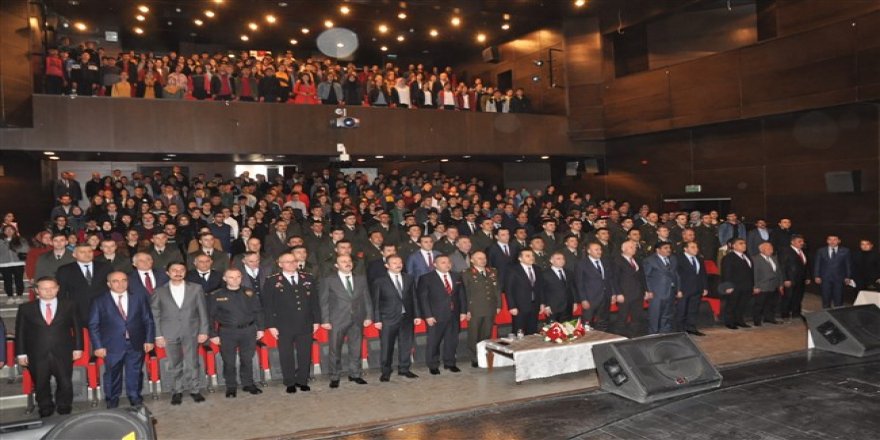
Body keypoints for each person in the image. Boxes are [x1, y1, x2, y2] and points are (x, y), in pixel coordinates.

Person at [15, 277, 83, 417]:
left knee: (65, 381)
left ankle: (64, 406)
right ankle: (45, 407)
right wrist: (21, 353)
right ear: (37, 290)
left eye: (52, 288)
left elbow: (77, 328)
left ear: (58, 288)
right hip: (37, 352)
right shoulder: (26, 308)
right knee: (40, 382)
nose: (49, 291)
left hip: (63, 351)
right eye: (44, 288)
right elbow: (20, 331)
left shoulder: (69, 305)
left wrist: (78, 348)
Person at [89, 271, 155, 409]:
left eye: (124, 280)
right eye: (115, 281)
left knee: (135, 372)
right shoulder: (99, 300)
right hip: (111, 345)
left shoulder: (138, 297)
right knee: (112, 374)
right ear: (108, 284)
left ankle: (135, 397)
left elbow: (148, 320)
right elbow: (93, 325)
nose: (120, 284)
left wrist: (149, 340)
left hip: (136, 342)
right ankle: (112, 399)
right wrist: (98, 346)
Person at [150, 262, 209, 405]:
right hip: (169, 332)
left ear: (185, 272)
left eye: (181, 269)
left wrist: (204, 330)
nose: (178, 272)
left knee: (192, 362)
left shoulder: (196, 288)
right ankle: (177, 391)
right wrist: (158, 335)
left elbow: (202, 311)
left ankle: (195, 390)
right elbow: (155, 314)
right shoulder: (159, 291)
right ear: (167, 273)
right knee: (174, 363)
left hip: (192, 331)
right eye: (174, 270)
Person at [262, 253, 320, 394]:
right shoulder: (272, 281)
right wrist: (271, 325)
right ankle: (289, 381)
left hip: (305, 322)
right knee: (286, 354)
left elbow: (314, 302)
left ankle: (302, 380)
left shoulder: (308, 278)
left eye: (294, 261)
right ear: (280, 264)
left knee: (305, 353)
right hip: (283, 324)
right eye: (287, 262)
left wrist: (317, 320)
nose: (292, 264)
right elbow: (267, 306)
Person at [207, 268, 264, 398]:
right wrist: (213, 334)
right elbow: (210, 316)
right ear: (225, 278)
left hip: (248, 330)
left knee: (247, 359)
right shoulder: (216, 294)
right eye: (231, 277)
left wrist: (260, 328)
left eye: (238, 276)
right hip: (227, 331)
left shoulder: (249, 292)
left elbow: (258, 311)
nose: (235, 279)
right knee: (229, 361)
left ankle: (248, 383)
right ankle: (231, 386)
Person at [319, 254, 373, 388]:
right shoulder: (329, 280)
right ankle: (334, 376)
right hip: (337, 319)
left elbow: (367, 298)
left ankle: (355, 374)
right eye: (343, 261)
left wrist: (368, 316)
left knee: (356, 347)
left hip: (357, 318)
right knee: (334, 349)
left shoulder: (361, 279)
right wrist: (325, 319)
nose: (347, 263)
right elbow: (324, 301)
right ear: (336, 265)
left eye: (349, 261)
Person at [371, 254, 421, 381]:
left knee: (406, 344)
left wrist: (417, 315)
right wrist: (377, 319)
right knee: (387, 346)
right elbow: (375, 301)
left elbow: (414, 298)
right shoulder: (379, 280)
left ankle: (404, 369)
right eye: (394, 263)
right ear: (387, 265)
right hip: (387, 318)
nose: (398, 265)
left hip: (407, 317)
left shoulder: (409, 278)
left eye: (400, 262)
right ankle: (386, 371)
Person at [418, 254, 467, 375]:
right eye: (443, 262)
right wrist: (428, 315)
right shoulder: (426, 278)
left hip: (454, 314)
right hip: (435, 315)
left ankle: (450, 363)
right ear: (435, 264)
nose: (447, 264)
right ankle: (433, 364)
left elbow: (462, 295)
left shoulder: (456, 276)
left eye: (448, 262)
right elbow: (423, 298)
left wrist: (463, 311)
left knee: (452, 340)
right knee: (434, 341)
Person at [461, 250, 500, 368]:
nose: (482, 260)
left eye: (484, 258)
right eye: (479, 258)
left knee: (486, 333)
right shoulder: (466, 273)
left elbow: (497, 290)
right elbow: (465, 293)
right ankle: (474, 357)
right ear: (472, 260)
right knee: (474, 334)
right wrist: (466, 309)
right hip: (474, 308)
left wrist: (498, 305)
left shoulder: (492, 271)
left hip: (490, 307)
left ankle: (484, 355)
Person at [56, 243, 113, 324]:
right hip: (77, 311)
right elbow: (61, 293)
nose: (87, 254)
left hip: (103, 310)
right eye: (82, 252)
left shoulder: (105, 267)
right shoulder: (64, 270)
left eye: (89, 251)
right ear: (74, 254)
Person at [575, 242, 615, 331]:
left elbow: (610, 279)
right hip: (590, 298)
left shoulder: (605, 262)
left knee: (603, 321)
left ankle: (602, 340)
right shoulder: (582, 264)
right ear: (589, 251)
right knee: (586, 322)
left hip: (605, 296)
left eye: (600, 249)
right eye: (596, 249)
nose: (599, 251)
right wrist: (583, 299)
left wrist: (613, 293)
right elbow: (579, 283)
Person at [643, 242, 682, 334]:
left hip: (671, 291)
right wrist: (648, 291)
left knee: (668, 314)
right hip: (657, 292)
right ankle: (653, 334)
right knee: (655, 314)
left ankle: (665, 333)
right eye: (665, 248)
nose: (669, 250)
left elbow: (676, 275)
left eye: (669, 247)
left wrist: (678, 289)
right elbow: (646, 277)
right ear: (658, 250)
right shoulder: (650, 260)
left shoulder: (673, 258)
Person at [506, 249, 544, 335]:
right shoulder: (513, 270)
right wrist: (512, 306)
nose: (531, 258)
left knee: (532, 331)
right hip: (519, 306)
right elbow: (509, 289)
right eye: (528, 256)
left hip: (535, 305)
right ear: (520, 258)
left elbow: (540, 288)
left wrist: (542, 303)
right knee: (519, 331)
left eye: (532, 256)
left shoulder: (537, 269)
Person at [675, 242, 708, 336]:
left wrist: (705, 287)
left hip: (697, 288)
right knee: (682, 310)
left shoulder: (699, 258)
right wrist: (678, 289)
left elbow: (703, 274)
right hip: (684, 289)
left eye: (696, 247)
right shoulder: (679, 259)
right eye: (693, 247)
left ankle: (691, 328)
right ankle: (680, 331)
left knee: (693, 310)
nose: (696, 249)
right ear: (685, 249)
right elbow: (676, 275)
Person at [721, 238, 754, 329]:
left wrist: (752, 284)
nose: (744, 245)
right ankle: (729, 322)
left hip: (747, 285)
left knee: (742, 305)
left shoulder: (747, 256)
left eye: (744, 243)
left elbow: (750, 271)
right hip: (734, 286)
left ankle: (739, 321)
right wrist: (728, 286)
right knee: (731, 305)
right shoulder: (729, 257)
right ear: (734, 246)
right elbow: (726, 273)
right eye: (741, 243)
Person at [778, 235, 811, 321]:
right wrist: (785, 279)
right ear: (792, 242)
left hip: (801, 279)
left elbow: (805, 265)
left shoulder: (803, 251)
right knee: (788, 297)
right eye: (799, 241)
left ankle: (796, 312)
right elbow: (782, 266)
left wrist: (807, 276)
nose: (802, 243)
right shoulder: (786, 251)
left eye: (802, 241)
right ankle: (785, 314)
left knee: (798, 296)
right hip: (790, 278)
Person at [813, 235, 852, 308]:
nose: (832, 241)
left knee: (838, 299)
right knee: (826, 298)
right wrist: (817, 275)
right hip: (825, 278)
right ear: (827, 241)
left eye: (834, 239)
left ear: (839, 241)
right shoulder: (821, 251)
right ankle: (826, 316)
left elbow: (848, 265)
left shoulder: (845, 251)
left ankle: (838, 316)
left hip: (839, 278)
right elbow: (817, 264)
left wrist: (848, 277)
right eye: (830, 239)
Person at [752, 242, 783, 326]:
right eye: (769, 248)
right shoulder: (755, 259)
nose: (771, 250)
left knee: (771, 303)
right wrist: (755, 286)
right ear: (762, 250)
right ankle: (757, 321)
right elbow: (754, 273)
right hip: (762, 286)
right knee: (759, 304)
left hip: (773, 285)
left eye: (771, 248)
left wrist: (780, 284)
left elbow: (779, 272)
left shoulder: (774, 258)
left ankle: (769, 318)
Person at [541, 251, 575, 323]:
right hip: (553, 307)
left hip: (568, 306)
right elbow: (542, 291)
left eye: (563, 258)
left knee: (567, 329)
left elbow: (572, 288)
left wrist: (574, 302)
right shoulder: (545, 274)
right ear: (551, 261)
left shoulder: (569, 272)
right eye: (558, 258)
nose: (562, 260)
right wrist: (545, 305)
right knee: (553, 330)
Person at [1, 224, 29, 304]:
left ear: (14, 230)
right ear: (3, 231)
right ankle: (9, 296)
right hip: (4, 263)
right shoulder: (1, 240)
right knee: (7, 281)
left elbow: (25, 249)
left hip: (18, 263)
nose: (9, 231)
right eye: (6, 230)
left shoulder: (20, 239)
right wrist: (5, 243)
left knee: (19, 280)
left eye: (11, 229)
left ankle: (19, 296)